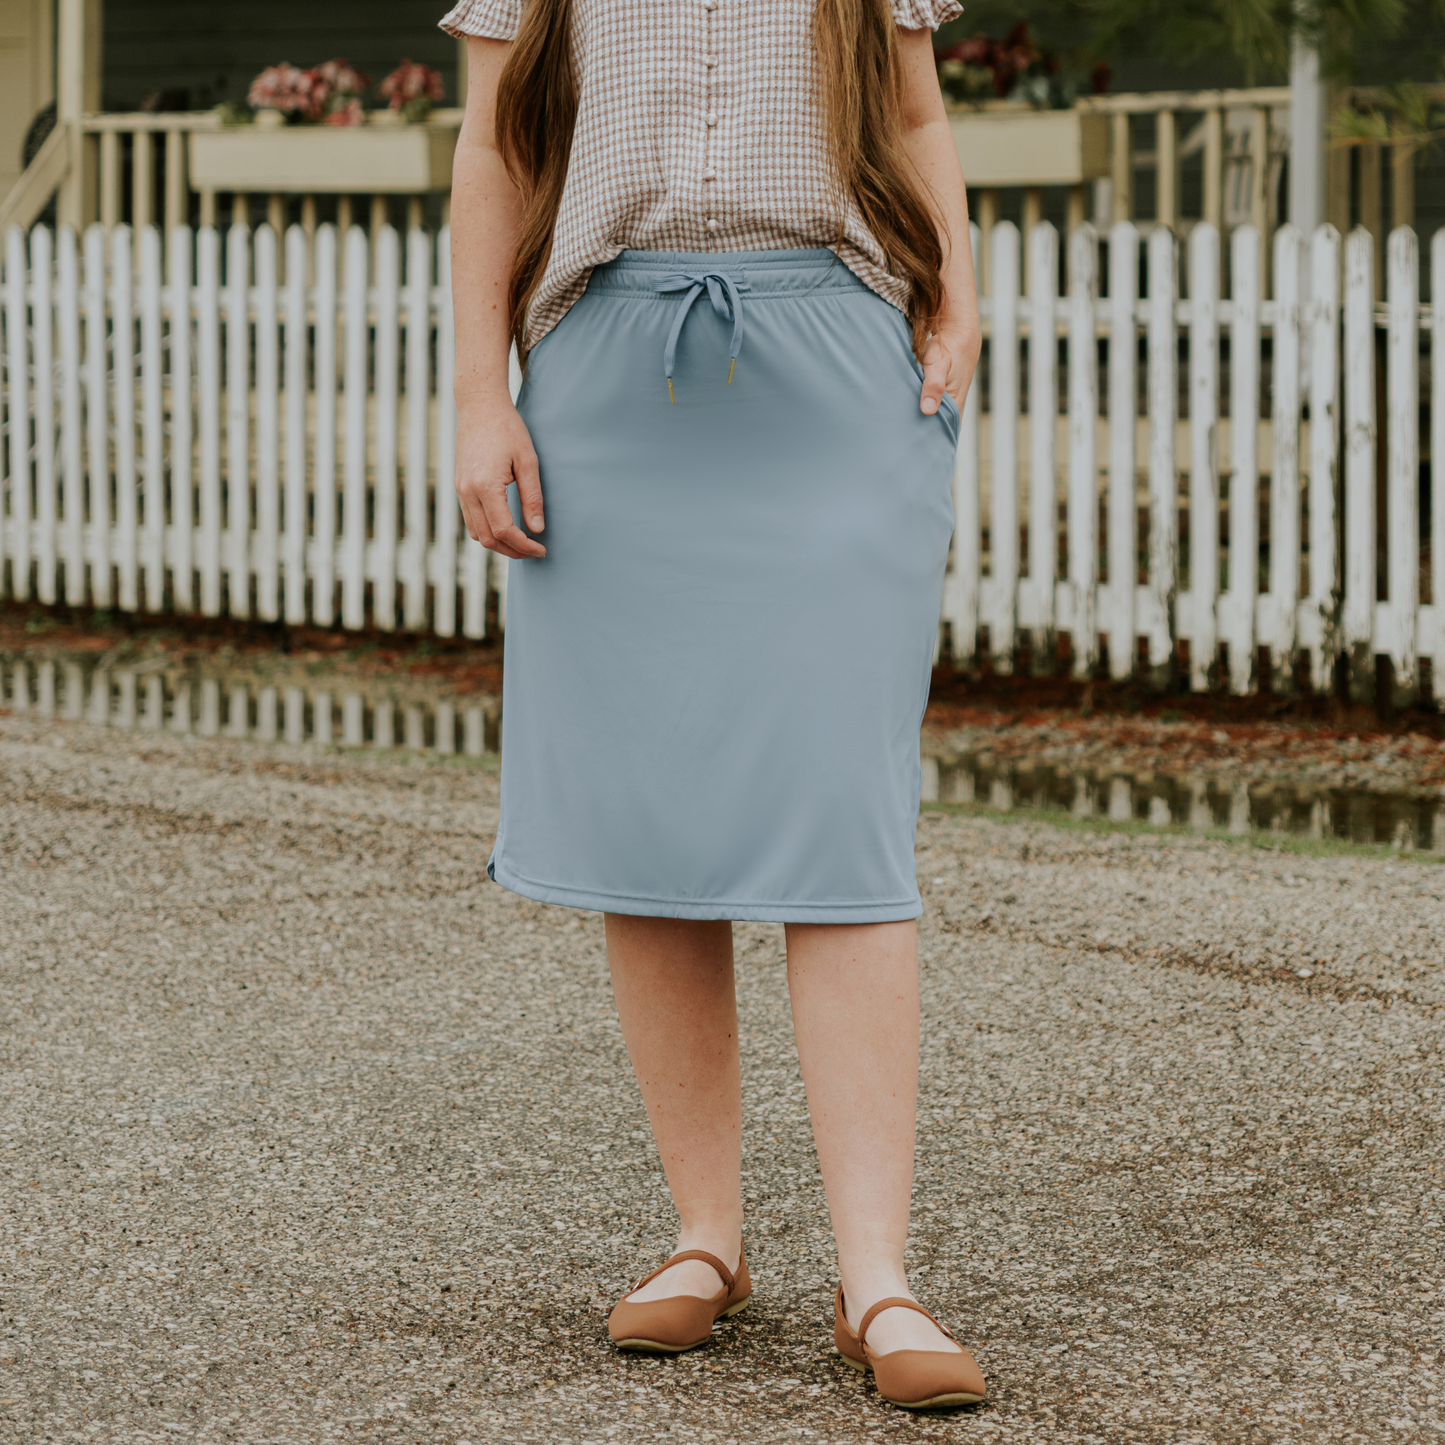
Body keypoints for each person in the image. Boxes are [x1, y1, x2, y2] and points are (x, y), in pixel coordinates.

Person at [441, 0, 984, 1410]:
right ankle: (707, 1241)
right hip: (608, 373)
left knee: (840, 821)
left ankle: (882, 1281)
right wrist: (477, 399)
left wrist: (962, 301)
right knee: (653, 812)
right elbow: (497, 147)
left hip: (835, 370)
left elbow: (916, 112)